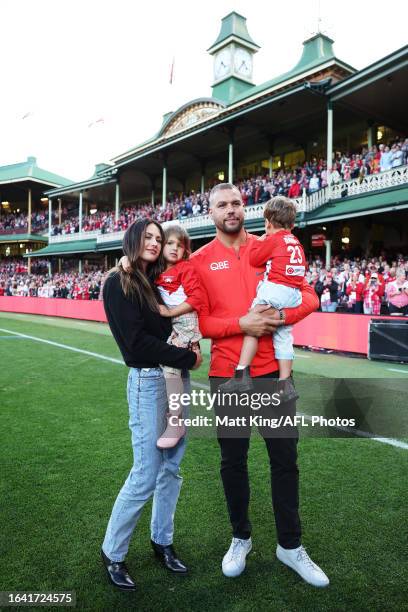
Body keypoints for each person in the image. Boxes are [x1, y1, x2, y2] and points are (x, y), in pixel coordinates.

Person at [192, 183, 329, 587]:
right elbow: (200, 323)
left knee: (285, 460)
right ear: (210, 212)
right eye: (222, 205)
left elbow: (310, 296)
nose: (230, 210)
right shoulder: (199, 261)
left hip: (273, 373)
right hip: (227, 374)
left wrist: (280, 320)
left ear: (245, 208)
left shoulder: (274, 243)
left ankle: (290, 546)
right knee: (233, 461)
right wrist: (241, 324)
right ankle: (240, 538)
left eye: (236, 202)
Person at [101, 219, 202, 591]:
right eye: (148, 237)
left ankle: (162, 541)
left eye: (159, 239)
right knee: (146, 471)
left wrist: (186, 351)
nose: (156, 243)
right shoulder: (118, 281)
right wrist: (186, 356)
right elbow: (135, 344)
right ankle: (113, 552)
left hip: (176, 376)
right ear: (132, 239)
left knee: (171, 467)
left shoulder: (157, 280)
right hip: (149, 381)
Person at [219, 197, 305, 404]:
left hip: (276, 288)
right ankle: (285, 384)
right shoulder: (296, 242)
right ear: (292, 225)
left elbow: (255, 259)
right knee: (284, 336)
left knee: (252, 324)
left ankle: (241, 375)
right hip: (294, 293)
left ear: (268, 222)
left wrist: (262, 240)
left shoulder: (272, 239)